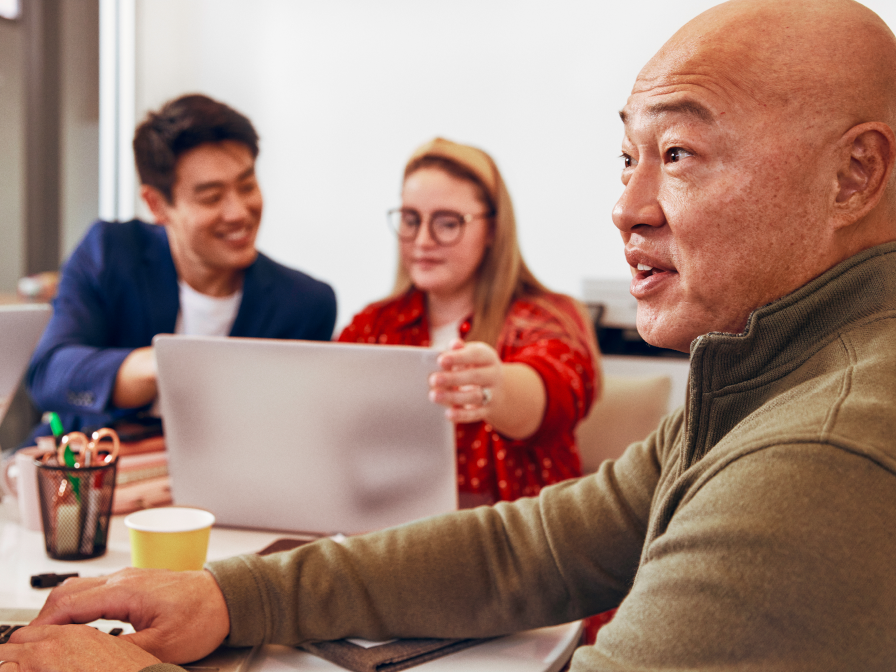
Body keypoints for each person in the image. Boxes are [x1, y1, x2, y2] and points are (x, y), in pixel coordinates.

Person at [3, 0, 896, 670]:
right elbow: (537, 544)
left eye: (680, 154)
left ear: (855, 174)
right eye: (629, 156)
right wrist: (230, 596)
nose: (626, 208)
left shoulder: (821, 451)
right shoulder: (762, 374)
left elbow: (542, 391)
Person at [25, 94, 337, 438]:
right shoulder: (111, 252)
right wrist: (165, 365)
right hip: (94, 471)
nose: (238, 212)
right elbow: (49, 375)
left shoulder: (306, 304)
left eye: (247, 185)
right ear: (157, 205)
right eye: (211, 197)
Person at [338, 138, 600, 505]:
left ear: (492, 230)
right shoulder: (372, 326)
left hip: (515, 546)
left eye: (447, 223)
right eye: (411, 220)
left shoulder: (546, 319)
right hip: (385, 536)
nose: (423, 240)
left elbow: (556, 392)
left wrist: (496, 387)